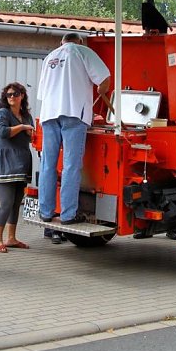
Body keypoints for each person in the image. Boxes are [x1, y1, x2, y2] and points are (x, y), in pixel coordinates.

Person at [37, 32, 110, 226]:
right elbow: (105, 78)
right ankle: (68, 215)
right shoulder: (83, 52)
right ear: (80, 41)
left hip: (49, 115)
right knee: (70, 165)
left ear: (61, 42)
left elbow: (42, 92)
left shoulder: (50, 56)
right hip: (74, 113)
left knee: (47, 164)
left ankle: (45, 211)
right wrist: (102, 91)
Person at [0, 83, 34, 253]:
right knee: (6, 203)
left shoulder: (27, 116)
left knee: (16, 203)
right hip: (4, 163)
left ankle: (11, 238)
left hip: (21, 162)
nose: (12, 97)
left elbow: (29, 139)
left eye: (15, 94)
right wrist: (22, 127)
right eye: (8, 95)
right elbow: (3, 132)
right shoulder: (2, 114)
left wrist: (31, 134)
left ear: (22, 95)